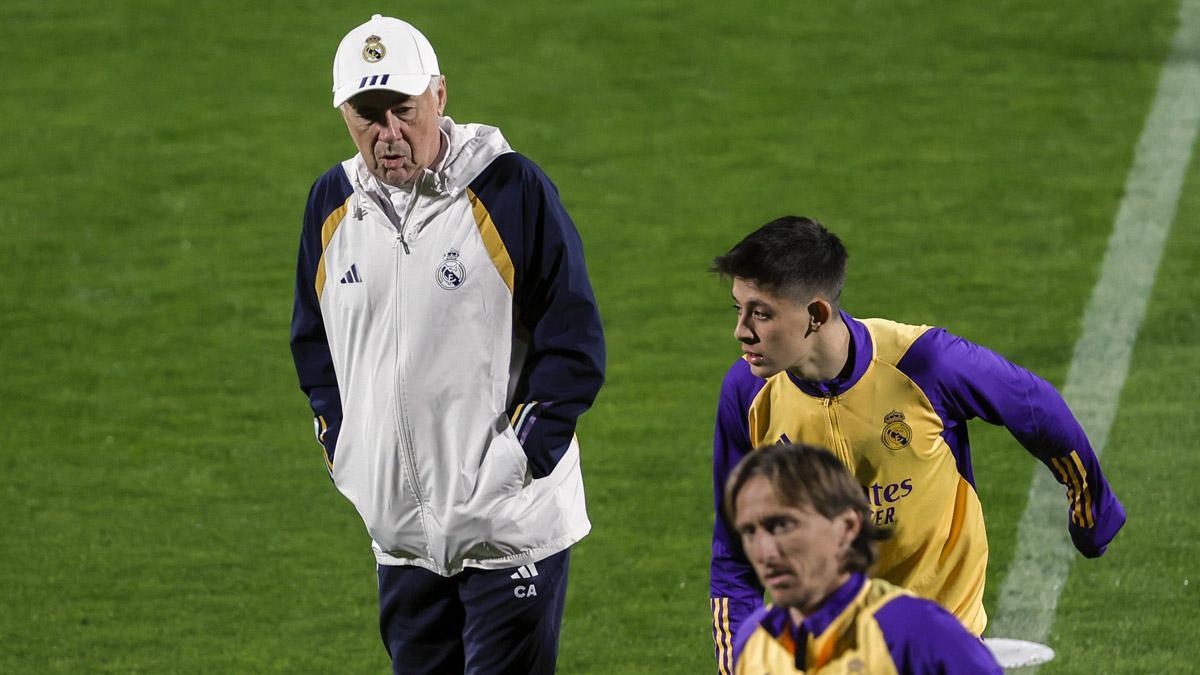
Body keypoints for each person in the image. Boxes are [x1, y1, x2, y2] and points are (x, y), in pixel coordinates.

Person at [289, 14, 605, 674]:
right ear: (343, 113)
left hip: (508, 532)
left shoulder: (509, 189)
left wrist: (510, 465)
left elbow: (573, 346)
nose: (388, 133)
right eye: (366, 115)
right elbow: (314, 344)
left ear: (439, 96)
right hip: (400, 541)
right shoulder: (331, 204)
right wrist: (346, 452)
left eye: (402, 109)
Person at [708, 216, 1125, 669]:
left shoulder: (923, 362)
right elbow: (734, 547)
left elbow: (1035, 407)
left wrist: (1092, 508)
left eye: (761, 313)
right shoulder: (747, 394)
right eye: (739, 309)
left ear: (816, 315)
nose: (742, 331)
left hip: (940, 636)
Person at [726, 442, 1002, 673]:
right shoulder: (754, 638)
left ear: (847, 527)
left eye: (782, 526)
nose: (765, 552)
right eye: (749, 532)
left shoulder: (915, 631)